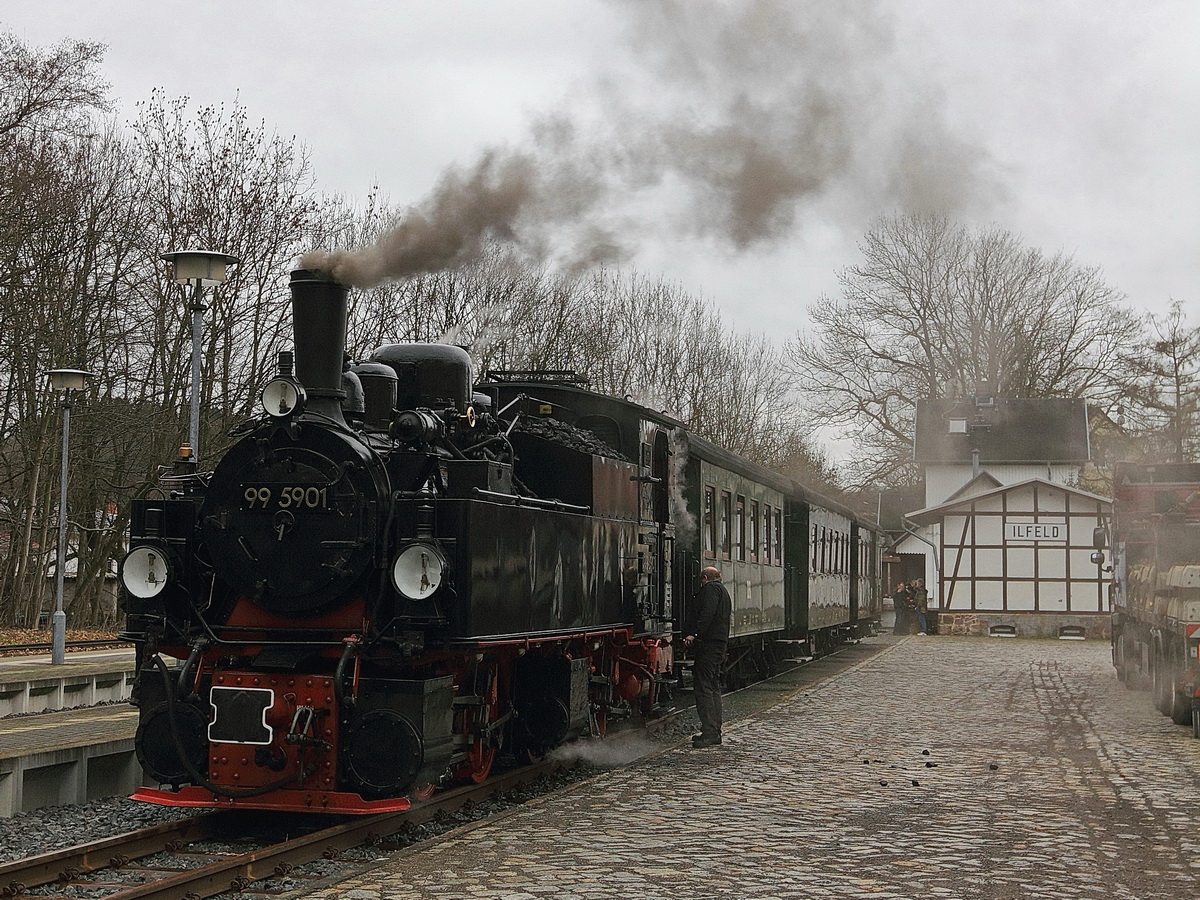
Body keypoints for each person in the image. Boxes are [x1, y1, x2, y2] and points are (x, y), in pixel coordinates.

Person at [684, 566, 731, 748]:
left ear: (705, 578)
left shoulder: (711, 589)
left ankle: (710, 732)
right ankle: (713, 730)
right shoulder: (723, 591)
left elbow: (707, 613)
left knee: (704, 686)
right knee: (712, 686)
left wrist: (694, 634)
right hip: (717, 644)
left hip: (710, 644)